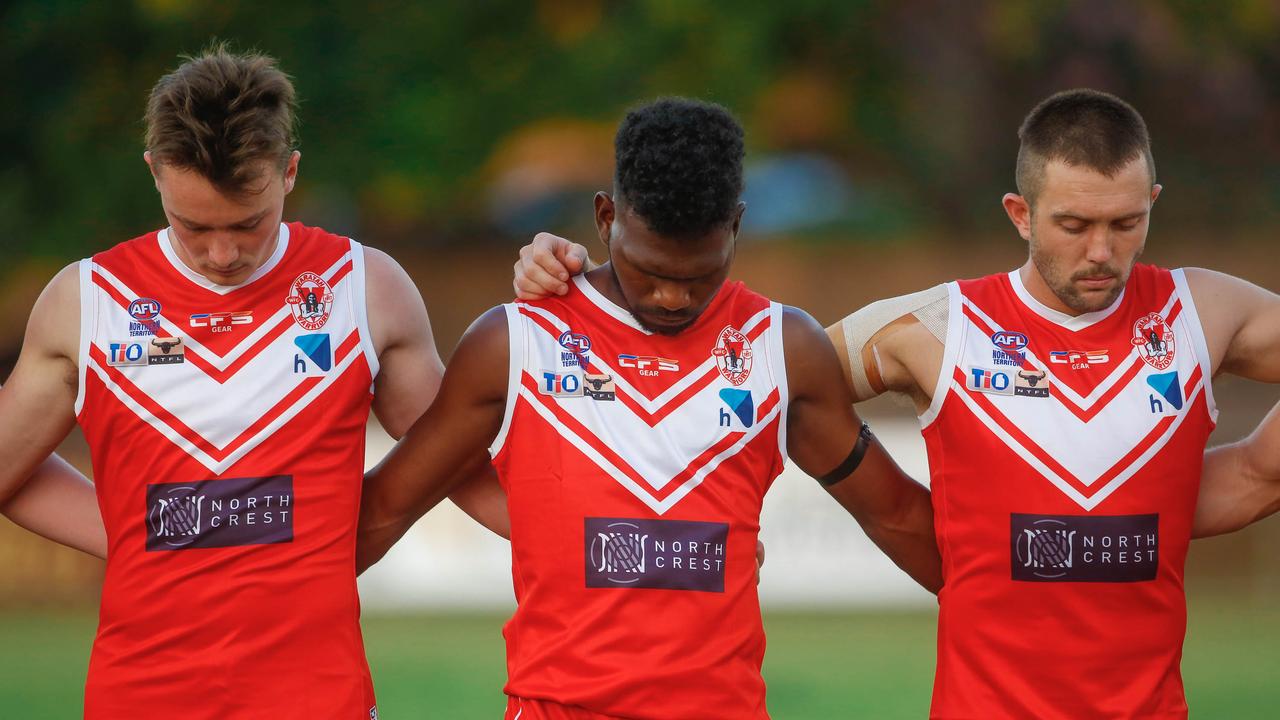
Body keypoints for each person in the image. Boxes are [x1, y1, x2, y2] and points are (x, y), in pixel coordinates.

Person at [511, 89, 1280, 718]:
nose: (1102, 252)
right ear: (1020, 214)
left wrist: (1181, 497)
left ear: (1152, 202)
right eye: (1074, 225)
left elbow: (1236, 479)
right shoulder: (930, 329)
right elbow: (725, 376)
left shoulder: (1201, 313)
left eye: (1126, 223)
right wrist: (579, 280)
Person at [356, 97, 941, 720]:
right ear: (605, 219)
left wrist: (1019, 605)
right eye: (649, 270)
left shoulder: (784, 348)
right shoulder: (514, 341)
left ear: (736, 228)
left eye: (700, 275)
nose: (672, 296)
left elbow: (896, 512)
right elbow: (388, 504)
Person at [0, 46, 461, 718]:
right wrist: (130, 530)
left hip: (318, 698)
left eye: (248, 223)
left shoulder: (367, 288)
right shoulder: (87, 300)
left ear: (289, 172)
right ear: (155, 173)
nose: (222, 254)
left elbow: (458, 453)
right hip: (141, 697)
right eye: (193, 227)